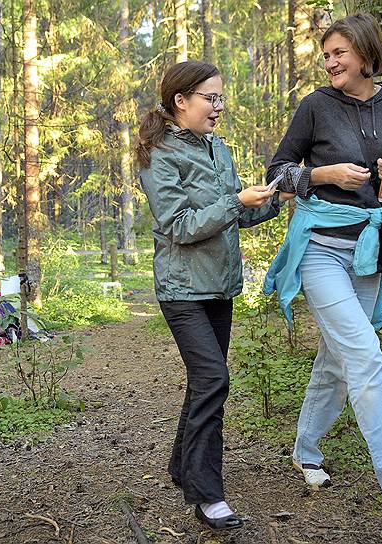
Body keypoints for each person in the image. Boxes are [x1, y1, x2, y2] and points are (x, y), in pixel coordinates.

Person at [263, 13, 382, 529]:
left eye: (339, 52)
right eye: (326, 55)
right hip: (319, 249)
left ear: (365, 53)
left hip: (370, 249)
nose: (331, 61)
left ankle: (306, 450)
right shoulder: (316, 106)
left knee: (338, 361)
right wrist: (322, 174)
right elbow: (276, 173)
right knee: (364, 358)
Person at [136, 60, 287, 530]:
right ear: (181, 101)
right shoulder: (160, 155)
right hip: (182, 290)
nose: (219, 107)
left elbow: (235, 217)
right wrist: (233, 202)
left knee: (205, 381)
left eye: (221, 97)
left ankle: (182, 467)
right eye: (211, 98)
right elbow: (179, 225)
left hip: (219, 287)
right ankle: (206, 493)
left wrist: (275, 201)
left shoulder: (219, 149)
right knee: (213, 379)